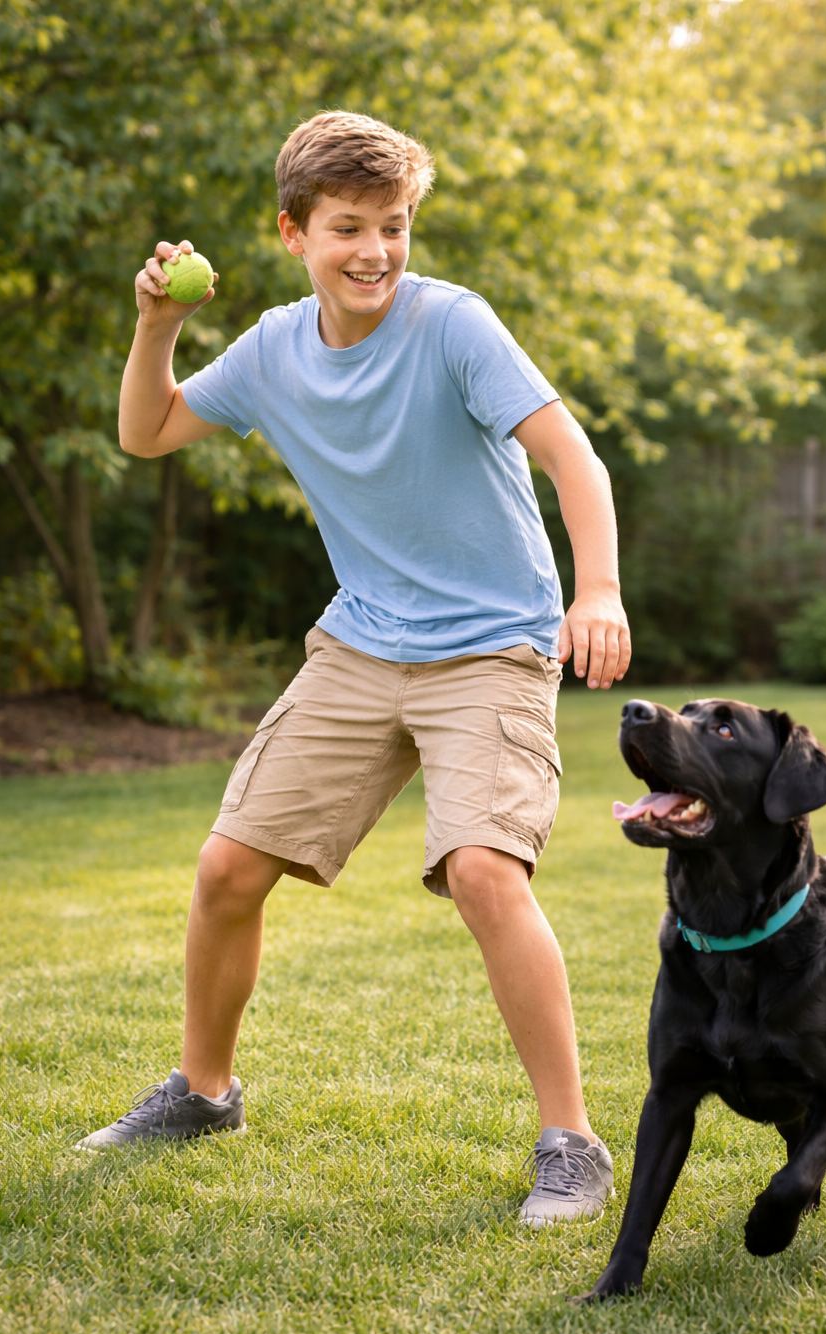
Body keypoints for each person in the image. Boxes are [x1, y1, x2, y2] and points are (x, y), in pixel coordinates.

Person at [79, 111, 631, 1227]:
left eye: (393, 226)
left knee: (484, 870)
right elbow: (150, 433)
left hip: (490, 645)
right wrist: (155, 328)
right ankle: (203, 1092)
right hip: (363, 640)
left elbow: (571, 454)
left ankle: (570, 1141)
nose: (374, 250)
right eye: (347, 228)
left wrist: (597, 592)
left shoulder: (453, 325)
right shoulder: (277, 347)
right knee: (229, 867)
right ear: (293, 233)